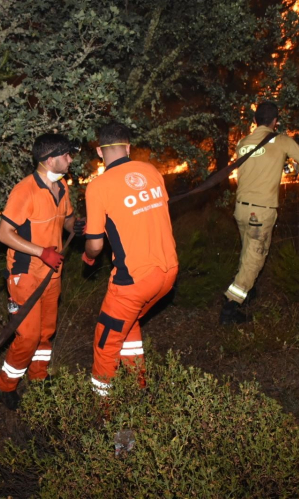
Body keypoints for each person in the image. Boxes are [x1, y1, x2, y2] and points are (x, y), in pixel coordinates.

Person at [83, 122, 178, 396]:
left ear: (99, 151)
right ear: (127, 147)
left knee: (105, 344)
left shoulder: (98, 186)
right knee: (128, 325)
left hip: (133, 281)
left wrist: (88, 256)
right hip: (168, 272)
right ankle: (137, 393)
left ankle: (106, 413)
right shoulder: (151, 171)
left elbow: (95, 246)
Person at [0, 133, 82, 410]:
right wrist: (42, 252)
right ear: (50, 159)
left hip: (52, 274)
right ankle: (5, 387)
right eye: (66, 155)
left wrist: (77, 226)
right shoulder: (25, 191)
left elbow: (67, 220)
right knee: (28, 336)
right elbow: (4, 234)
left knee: (46, 332)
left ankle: (39, 378)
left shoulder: (62, 187)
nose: (70, 160)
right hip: (25, 274)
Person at [220, 101, 299, 325]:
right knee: (254, 259)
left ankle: (248, 292)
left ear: (255, 121)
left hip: (241, 209)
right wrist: (295, 168)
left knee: (248, 252)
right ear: (275, 121)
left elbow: (256, 166)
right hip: (260, 213)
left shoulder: (243, 143)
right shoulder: (282, 141)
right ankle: (230, 306)